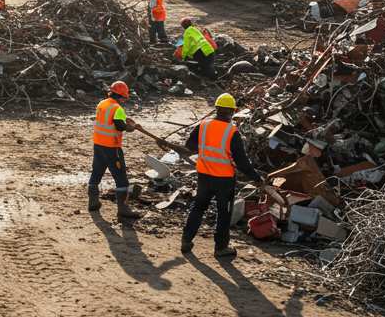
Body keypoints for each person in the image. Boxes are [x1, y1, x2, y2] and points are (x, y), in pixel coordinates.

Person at [154, 93, 264, 258]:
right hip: (224, 180)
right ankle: (221, 247)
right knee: (223, 213)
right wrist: (256, 178)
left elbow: (190, 148)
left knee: (198, 207)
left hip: (204, 176)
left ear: (217, 109)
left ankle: (186, 240)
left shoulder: (203, 126)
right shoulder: (232, 132)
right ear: (232, 112)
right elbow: (241, 162)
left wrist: (173, 146)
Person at [88, 81, 142, 221]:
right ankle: (123, 210)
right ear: (122, 96)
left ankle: (93, 202)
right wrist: (131, 127)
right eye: (125, 97)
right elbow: (119, 126)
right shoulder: (117, 108)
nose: (125, 99)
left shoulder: (102, 103)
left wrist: (125, 119)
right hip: (112, 148)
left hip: (98, 144)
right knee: (121, 179)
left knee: (97, 172)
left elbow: (109, 120)